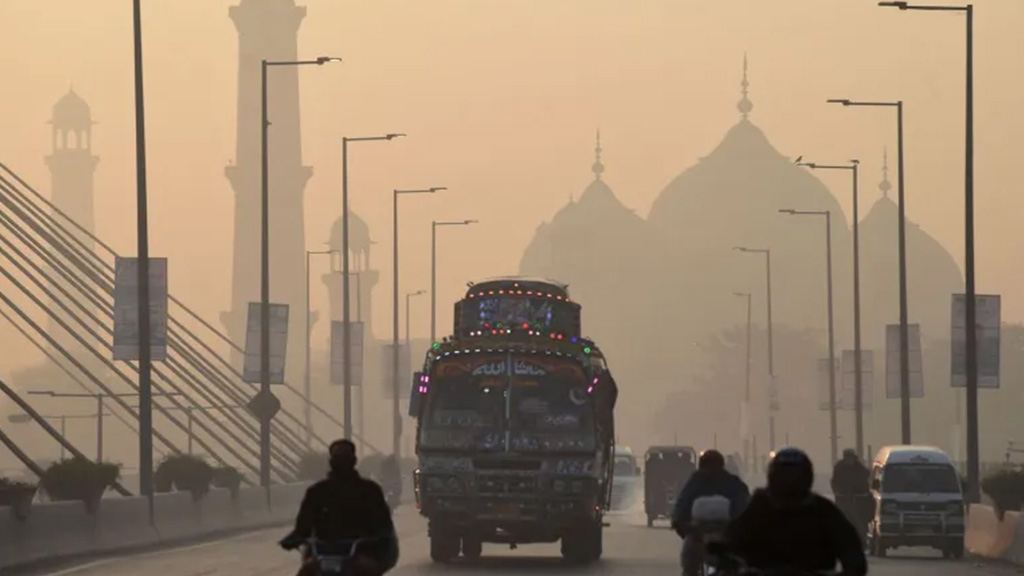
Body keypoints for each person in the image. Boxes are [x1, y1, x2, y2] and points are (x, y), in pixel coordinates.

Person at [720, 447, 868, 576]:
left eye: (794, 477)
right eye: (784, 477)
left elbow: (851, 549)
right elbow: (731, 540)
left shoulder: (822, 510)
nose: (789, 483)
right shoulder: (759, 508)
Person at [280, 439, 399, 576]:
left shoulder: (370, 491)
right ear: (331, 462)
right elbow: (304, 525)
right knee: (305, 572)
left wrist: (381, 539)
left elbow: (383, 523)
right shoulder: (317, 492)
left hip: (360, 553)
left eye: (345, 458)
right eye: (338, 459)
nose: (342, 463)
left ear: (354, 461)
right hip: (322, 556)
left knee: (368, 570)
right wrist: (294, 538)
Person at [671, 449, 750, 576]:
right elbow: (682, 505)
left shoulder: (732, 483)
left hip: (727, 535)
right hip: (698, 535)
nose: (711, 470)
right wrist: (681, 523)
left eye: (714, 465)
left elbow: (743, 507)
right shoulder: (695, 482)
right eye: (708, 465)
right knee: (689, 562)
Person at [831, 448, 871, 546]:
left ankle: (863, 540)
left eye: (851, 458)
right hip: (843, 496)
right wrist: (837, 492)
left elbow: (867, 474)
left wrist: (862, 489)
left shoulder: (859, 467)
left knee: (860, 519)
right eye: (847, 457)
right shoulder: (839, 467)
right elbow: (834, 481)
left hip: (858, 497)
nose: (849, 460)